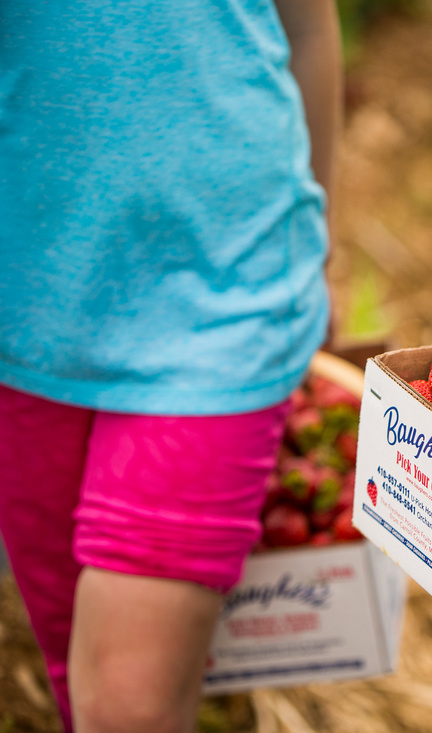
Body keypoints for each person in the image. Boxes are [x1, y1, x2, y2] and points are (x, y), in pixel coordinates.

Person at [0, 1, 341, 731]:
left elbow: (306, 23)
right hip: (27, 306)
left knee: (126, 706)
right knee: (69, 662)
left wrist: (318, 235)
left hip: (222, 292)